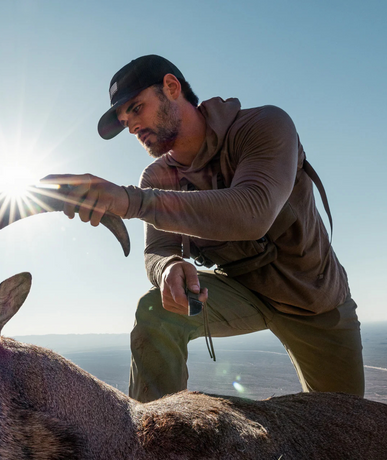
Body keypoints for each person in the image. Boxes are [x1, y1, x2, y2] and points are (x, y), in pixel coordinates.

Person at [43, 54, 364, 403]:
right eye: (124, 121)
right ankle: (155, 444)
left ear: (171, 87)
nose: (131, 127)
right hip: (240, 293)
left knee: (349, 423)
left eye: (136, 108)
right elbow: (157, 250)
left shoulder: (264, 126)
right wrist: (167, 268)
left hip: (314, 300)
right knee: (156, 311)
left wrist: (129, 201)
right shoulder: (157, 177)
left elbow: (254, 211)